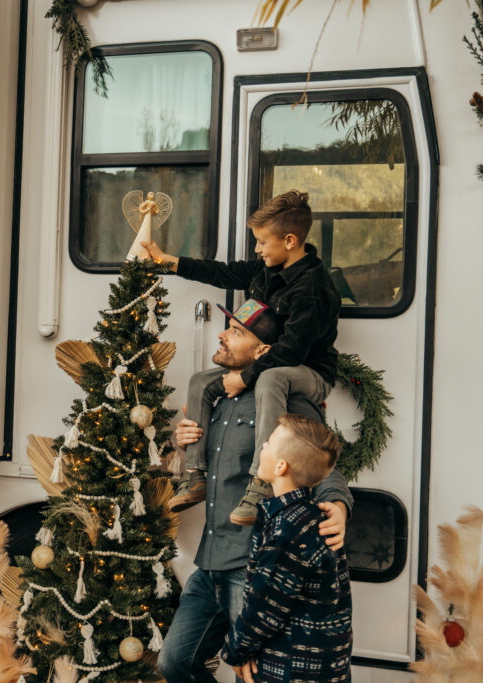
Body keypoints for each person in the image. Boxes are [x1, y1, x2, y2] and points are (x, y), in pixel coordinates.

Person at [156, 303, 352, 683]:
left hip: (249, 566)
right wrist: (181, 444)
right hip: (209, 561)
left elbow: (316, 457)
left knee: (252, 672)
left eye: (236, 331)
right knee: (174, 662)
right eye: (228, 327)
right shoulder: (213, 398)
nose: (222, 335)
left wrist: (339, 506)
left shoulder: (281, 401)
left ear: (263, 351)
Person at [143, 189, 341, 525]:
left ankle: (260, 483)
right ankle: (194, 474)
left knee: (272, 377)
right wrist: (167, 261)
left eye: (263, 242)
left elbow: (291, 350)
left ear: (290, 240)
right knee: (202, 381)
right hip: (264, 362)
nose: (258, 249)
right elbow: (224, 273)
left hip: (308, 372)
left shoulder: (312, 288)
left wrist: (243, 377)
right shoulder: (266, 269)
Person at [221, 414, 352, 682]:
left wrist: (235, 651)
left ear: (281, 466)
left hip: (290, 667)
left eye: (268, 443)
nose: (263, 447)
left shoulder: (286, 528)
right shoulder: (313, 517)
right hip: (326, 664)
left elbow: (266, 605)